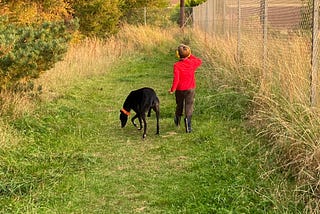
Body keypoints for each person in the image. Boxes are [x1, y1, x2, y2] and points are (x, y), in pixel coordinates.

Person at [168, 44, 202, 133]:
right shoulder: (192, 63)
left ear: (177, 54)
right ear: (189, 54)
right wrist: (190, 55)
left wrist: (172, 89)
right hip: (190, 88)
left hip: (179, 89)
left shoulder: (176, 65)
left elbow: (176, 79)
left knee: (179, 104)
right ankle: (188, 124)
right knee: (189, 105)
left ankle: (177, 119)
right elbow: (199, 60)